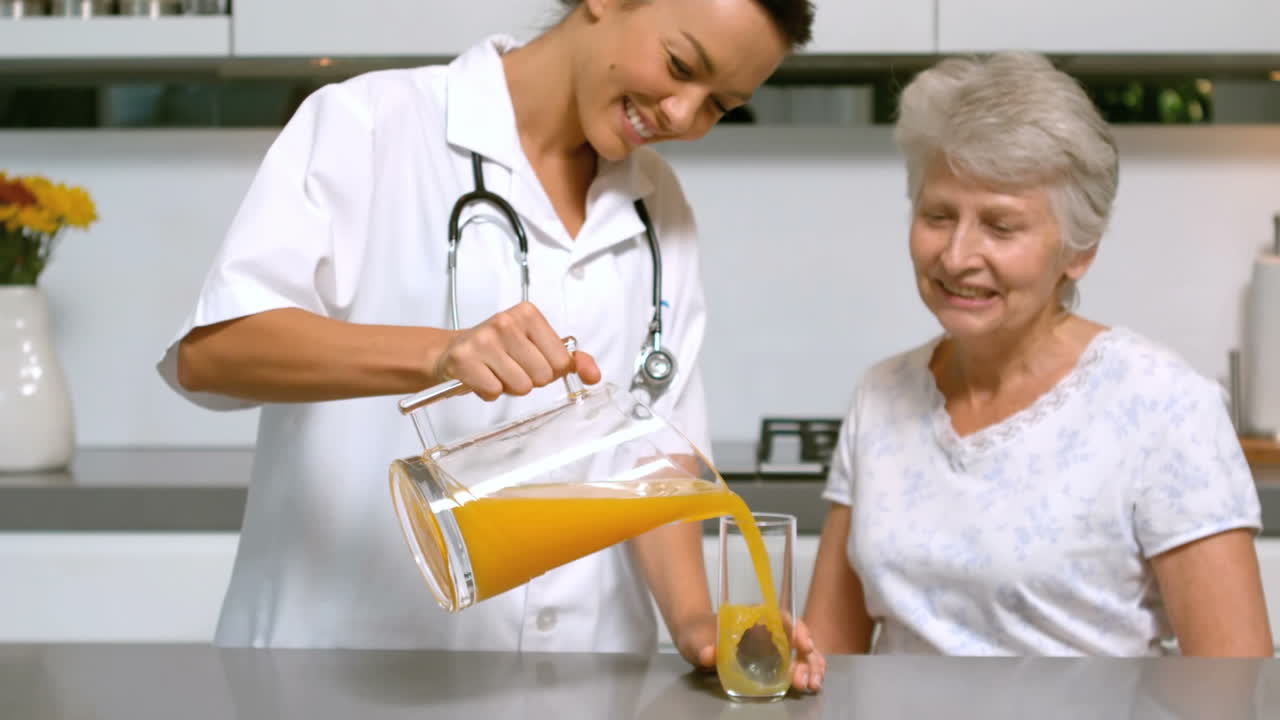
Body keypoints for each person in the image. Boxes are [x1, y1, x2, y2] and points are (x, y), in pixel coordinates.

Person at [158, 0, 825, 689]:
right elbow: (212, 354)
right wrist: (438, 353)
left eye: (721, 104)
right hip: (347, 670)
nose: (684, 116)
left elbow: (651, 456)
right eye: (682, 66)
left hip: (582, 684)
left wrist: (695, 624)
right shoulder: (372, 124)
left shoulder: (661, 209)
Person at [803, 51, 1272, 656]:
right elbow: (830, 661)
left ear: (1080, 250)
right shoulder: (881, 395)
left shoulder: (1165, 407)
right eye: (938, 216)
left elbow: (1232, 687)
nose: (956, 255)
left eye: (1000, 227)